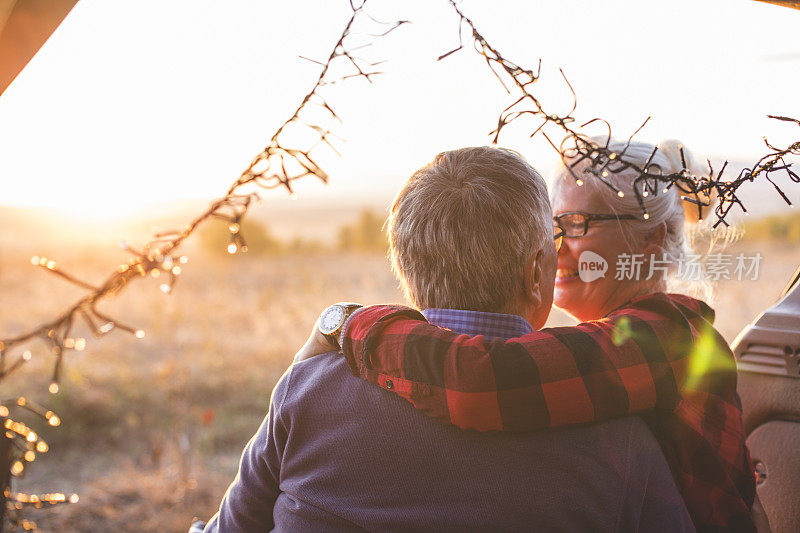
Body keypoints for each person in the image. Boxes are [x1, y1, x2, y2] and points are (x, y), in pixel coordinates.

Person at [202, 147, 693, 531]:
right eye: (554, 240)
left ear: (407, 269)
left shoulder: (311, 388)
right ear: (534, 274)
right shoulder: (617, 432)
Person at [301, 140, 759, 531]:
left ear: (650, 240)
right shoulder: (620, 339)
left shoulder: (667, 341)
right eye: (553, 227)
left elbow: (484, 380)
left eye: (578, 226)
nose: (554, 248)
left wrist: (351, 325)